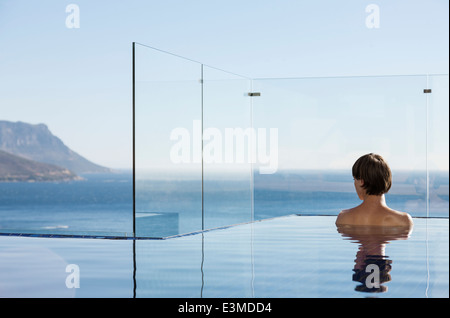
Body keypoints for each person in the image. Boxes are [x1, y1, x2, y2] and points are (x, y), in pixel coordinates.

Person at [336, 153, 413, 227]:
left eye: (354, 179)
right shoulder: (403, 220)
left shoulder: (343, 218)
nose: (354, 183)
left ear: (361, 182)